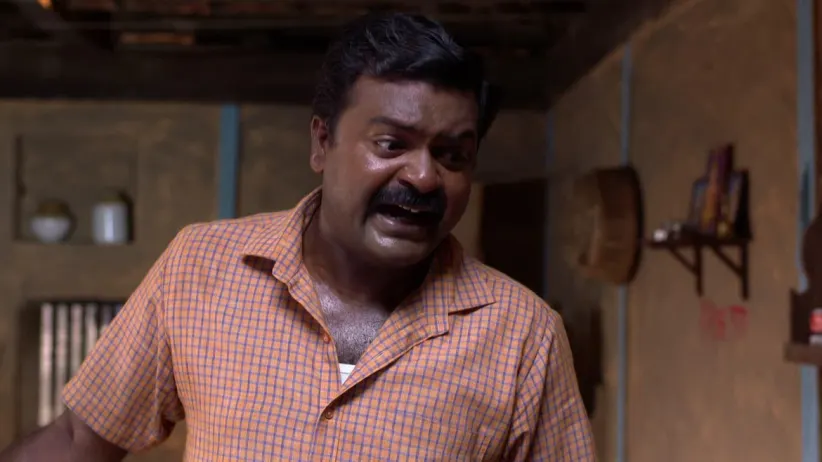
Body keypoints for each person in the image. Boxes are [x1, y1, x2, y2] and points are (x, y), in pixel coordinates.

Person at [0, 12, 595, 461]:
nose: (423, 176)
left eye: (452, 154)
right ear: (322, 143)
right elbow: (79, 440)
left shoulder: (523, 335)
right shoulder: (201, 267)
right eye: (391, 144)